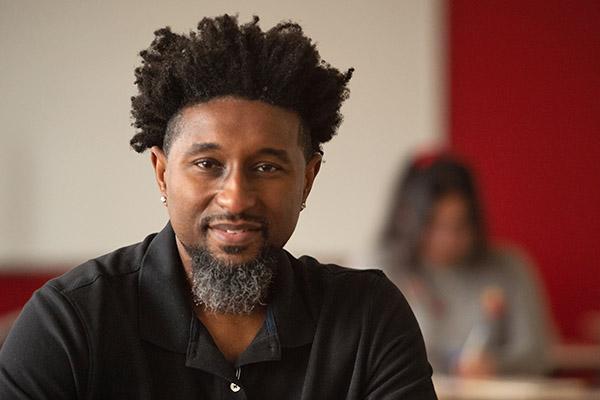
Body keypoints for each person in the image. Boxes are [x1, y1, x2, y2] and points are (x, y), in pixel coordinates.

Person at [0, 15, 436, 399]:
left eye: (266, 167)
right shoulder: (70, 323)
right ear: (162, 172)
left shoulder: (367, 319)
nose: (236, 198)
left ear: (307, 179)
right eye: (207, 164)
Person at [378, 151, 555, 377]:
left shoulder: (509, 266)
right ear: (409, 220)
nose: (448, 239)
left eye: (459, 225)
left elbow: (538, 353)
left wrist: (495, 366)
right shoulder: (385, 269)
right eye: (434, 225)